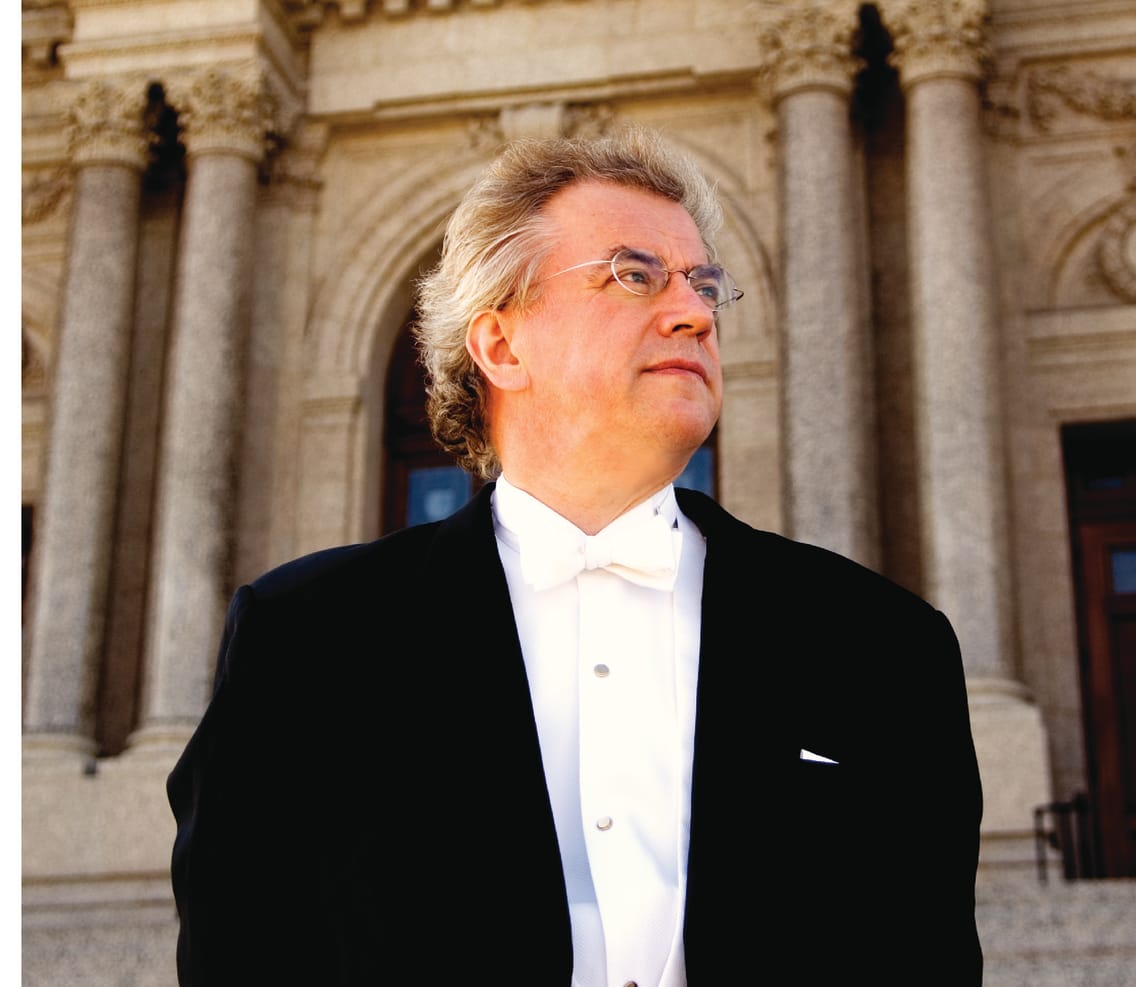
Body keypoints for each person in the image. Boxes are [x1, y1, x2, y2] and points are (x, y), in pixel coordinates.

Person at [167, 128, 982, 986]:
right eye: (634, 274)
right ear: (501, 345)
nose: (696, 312)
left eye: (703, 283)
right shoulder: (306, 640)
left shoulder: (887, 643)